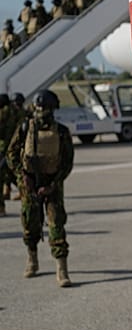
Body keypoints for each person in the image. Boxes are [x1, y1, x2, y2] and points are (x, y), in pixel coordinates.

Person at [7, 89, 74, 287]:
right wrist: (22, 178)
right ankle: (32, 260)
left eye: (45, 107)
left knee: (56, 225)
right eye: (39, 107)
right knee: (30, 224)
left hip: (52, 186)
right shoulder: (25, 127)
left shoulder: (61, 132)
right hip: (29, 185)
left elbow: (67, 162)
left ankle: (61, 269)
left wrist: (53, 184)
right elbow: (12, 154)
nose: (42, 111)